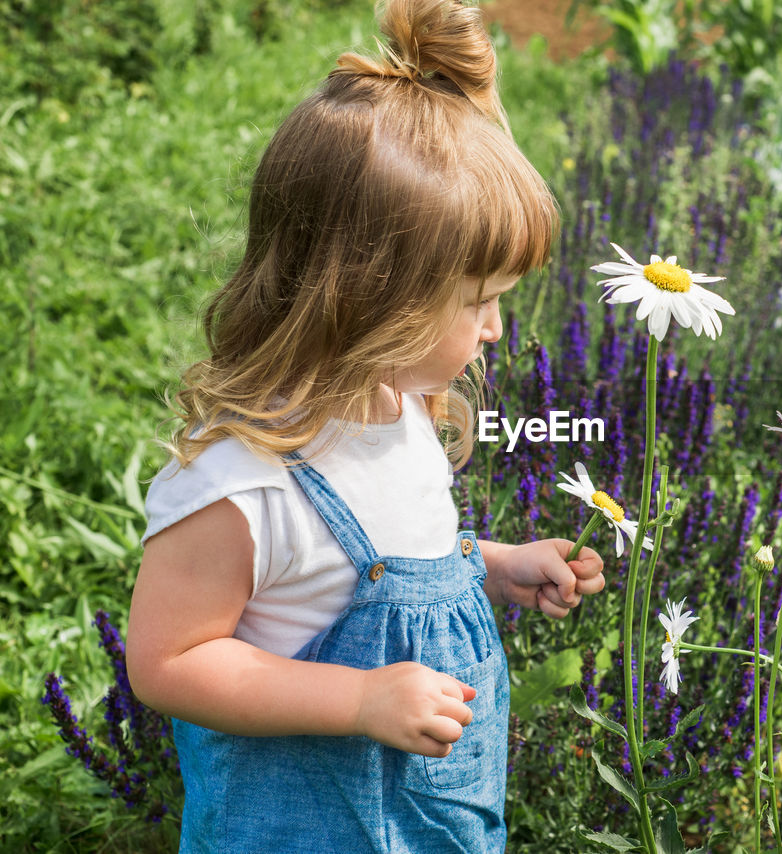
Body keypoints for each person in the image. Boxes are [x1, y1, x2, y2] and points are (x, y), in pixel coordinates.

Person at [125, 1, 605, 850]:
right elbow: (168, 661)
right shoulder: (244, 488)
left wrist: (489, 566)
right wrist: (356, 699)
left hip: (427, 820)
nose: (495, 330)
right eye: (479, 303)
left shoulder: (404, 412)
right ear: (370, 299)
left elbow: (384, 561)